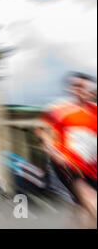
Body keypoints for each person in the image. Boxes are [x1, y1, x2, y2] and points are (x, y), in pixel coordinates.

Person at [36, 72, 97, 228]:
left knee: (84, 209)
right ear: (70, 89)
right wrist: (51, 150)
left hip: (92, 168)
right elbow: (40, 129)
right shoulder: (59, 110)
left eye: (83, 86)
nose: (79, 89)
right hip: (69, 165)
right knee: (92, 202)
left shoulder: (95, 111)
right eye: (75, 86)